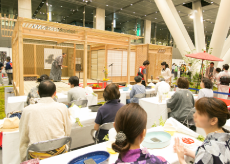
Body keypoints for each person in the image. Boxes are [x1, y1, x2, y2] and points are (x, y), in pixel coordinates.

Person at [19, 81, 71, 161]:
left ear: (38, 92)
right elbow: (67, 131)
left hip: (36, 156)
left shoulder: (27, 110)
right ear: (55, 93)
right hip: (60, 152)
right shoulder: (62, 107)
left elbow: (23, 138)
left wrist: (23, 159)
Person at [174, 97, 230, 164]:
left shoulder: (207, 149)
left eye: (199, 113)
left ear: (213, 120)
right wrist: (187, 152)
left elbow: (208, 155)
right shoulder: (226, 136)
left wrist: (181, 159)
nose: (194, 115)